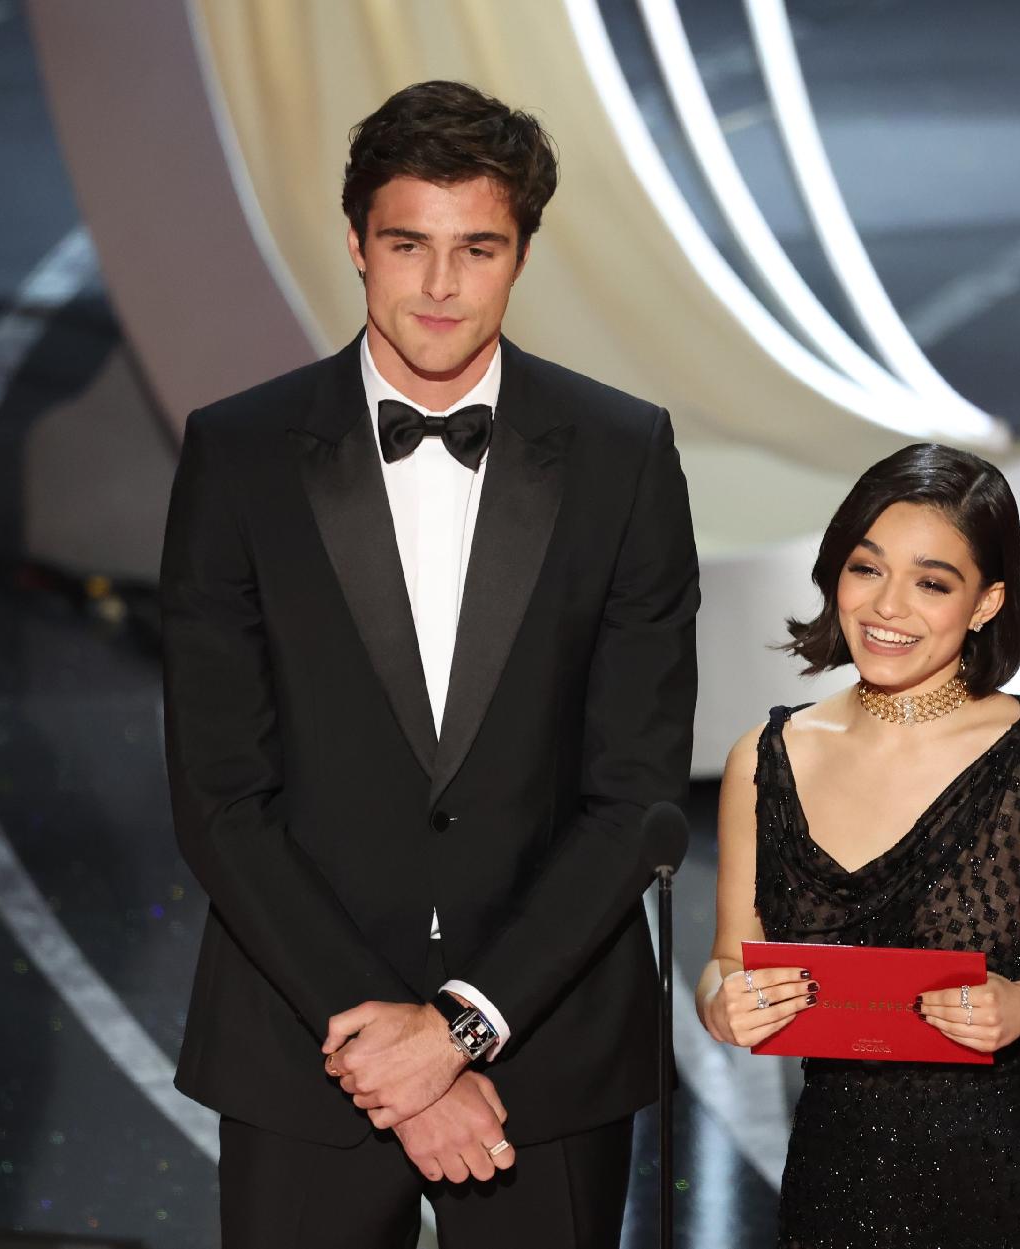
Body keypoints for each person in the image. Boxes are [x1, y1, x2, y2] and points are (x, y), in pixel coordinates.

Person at [161, 80, 700, 1247]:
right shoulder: (238, 453)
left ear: (521, 255)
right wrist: (386, 1047)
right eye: (409, 244)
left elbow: (637, 790)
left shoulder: (624, 454)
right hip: (302, 1044)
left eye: (478, 248)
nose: (442, 286)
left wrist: (460, 1027)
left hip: (545, 1051)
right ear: (356, 244)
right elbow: (220, 795)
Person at [694, 444, 1020, 1248]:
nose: (887, 607)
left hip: (1008, 1198)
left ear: (984, 602)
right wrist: (718, 1002)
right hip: (830, 1199)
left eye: (932, 582)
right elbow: (733, 959)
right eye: (867, 569)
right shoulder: (765, 761)